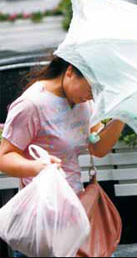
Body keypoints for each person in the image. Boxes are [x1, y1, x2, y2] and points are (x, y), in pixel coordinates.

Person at [0, 56, 125, 257]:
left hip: (75, 213)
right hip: (42, 219)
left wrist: (121, 116)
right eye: (90, 90)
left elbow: (98, 148)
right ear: (69, 71)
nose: (91, 97)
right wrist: (37, 166)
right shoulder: (32, 104)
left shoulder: (82, 102)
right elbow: (4, 156)